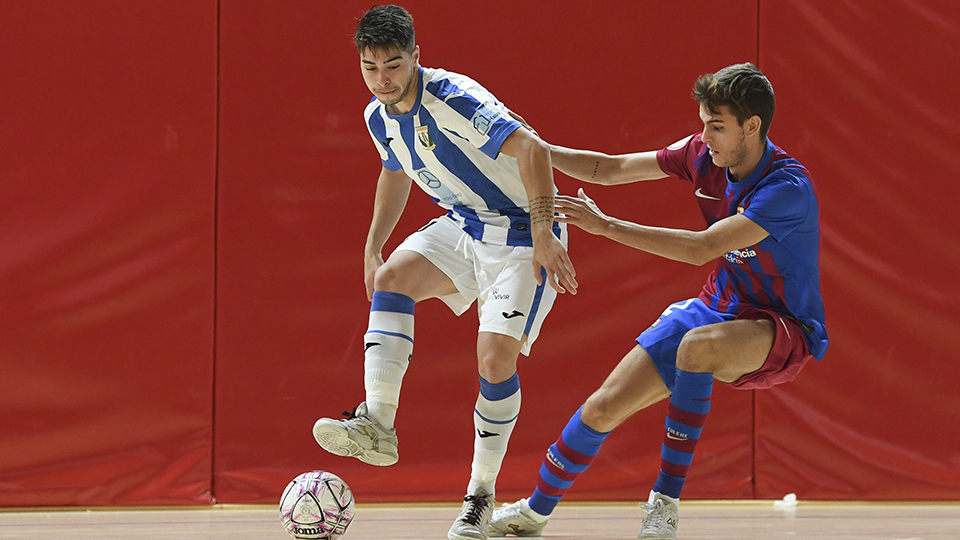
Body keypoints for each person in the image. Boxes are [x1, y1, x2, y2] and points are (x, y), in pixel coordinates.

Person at [488, 63, 828, 540]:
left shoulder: (786, 189)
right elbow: (610, 168)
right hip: (719, 305)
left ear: (752, 127)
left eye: (717, 126)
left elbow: (701, 249)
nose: (705, 136)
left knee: (696, 347)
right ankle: (534, 511)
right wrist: (535, 149)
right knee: (603, 406)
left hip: (783, 327)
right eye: (703, 122)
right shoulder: (700, 154)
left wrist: (605, 226)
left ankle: (663, 505)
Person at [311, 6, 577, 540]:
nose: (382, 80)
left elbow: (532, 148)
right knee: (390, 281)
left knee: (495, 360)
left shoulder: (454, 97)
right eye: (370, 68)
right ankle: (378, 425)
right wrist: (373, 245)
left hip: (524, 232)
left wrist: (546, 234)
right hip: (465, 226)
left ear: (415, 56)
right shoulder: (377, 116)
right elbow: (394, 171)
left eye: (393, 65)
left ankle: (480, 495)